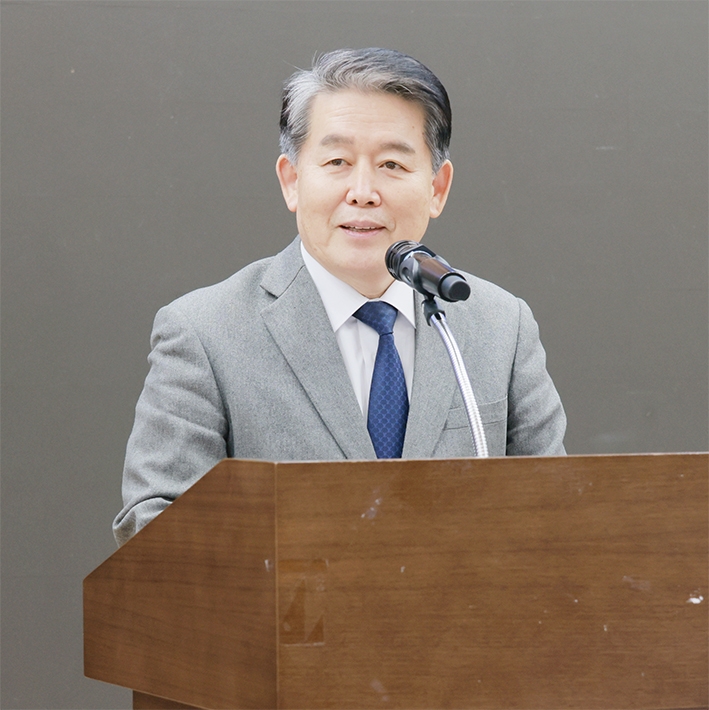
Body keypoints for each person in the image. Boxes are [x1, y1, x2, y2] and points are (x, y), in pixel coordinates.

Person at [114, 48, 566, 546]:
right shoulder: (206, 333)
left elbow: (558, 517)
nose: (363, 191)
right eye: (337, 162)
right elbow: (155, 530)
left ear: (437, 188)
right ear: (292, 180)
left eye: (392, 164)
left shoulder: (499, 326)